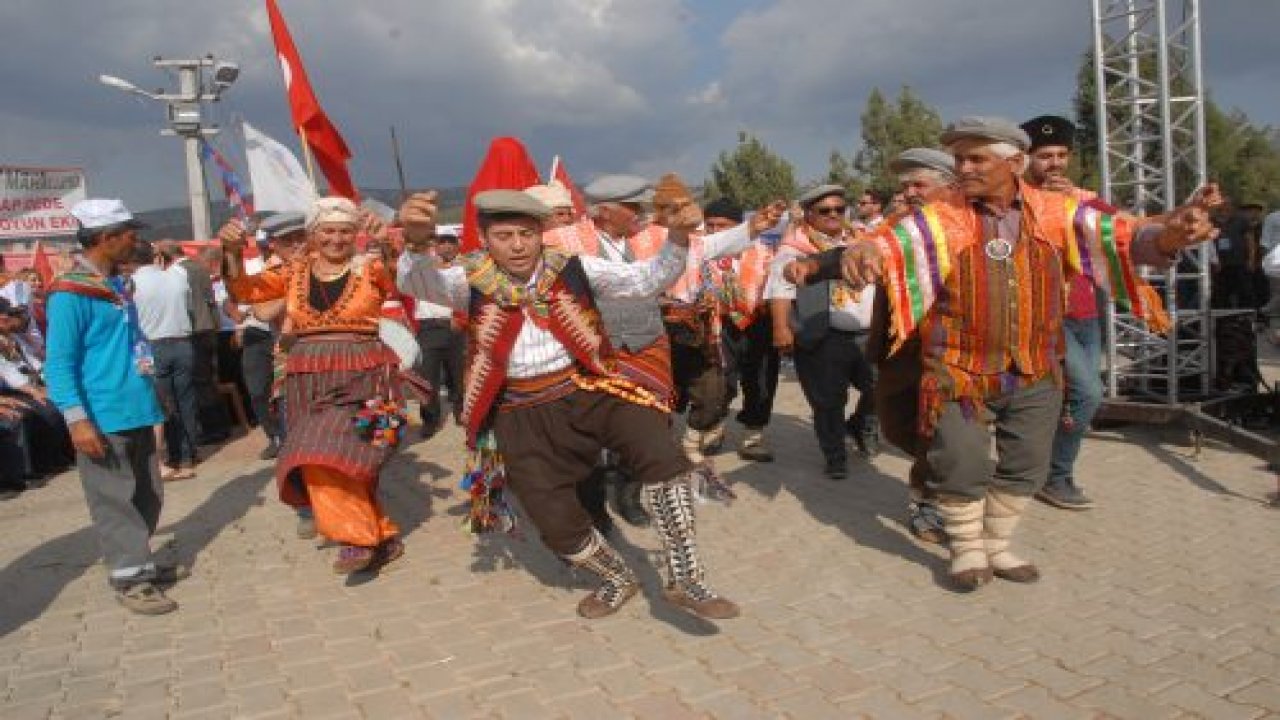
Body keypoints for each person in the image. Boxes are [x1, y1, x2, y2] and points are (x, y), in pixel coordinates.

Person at [795, 116, 1217, 591]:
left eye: (977, 158)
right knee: (961, 462)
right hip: (957, 368)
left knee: (1027, 463)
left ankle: (997, 545)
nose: (965, 167)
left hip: (1036, 367)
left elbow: (1123, 237)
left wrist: (1169, 236)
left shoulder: (1058, 211)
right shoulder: (937, 216)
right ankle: (968, 549)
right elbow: (882, 244)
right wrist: (824, 262)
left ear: (1014, 162)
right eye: (959, 159)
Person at [397, 189, 740, 621]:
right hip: (518, 408)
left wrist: (676, 235)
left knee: (662, 455)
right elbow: (418, 282)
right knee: (553, 516)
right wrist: (415, 241)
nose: (518, 245)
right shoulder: (469, 279)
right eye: (504, 236)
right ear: (484, 238)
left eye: (526, 233)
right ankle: (617, 577)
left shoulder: (572, 267)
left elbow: (644, 282)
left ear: (542, 234)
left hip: (588, 387)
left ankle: (685, 578)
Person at [220, 197, 427, 576]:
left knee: (348, 454)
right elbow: (244, 292)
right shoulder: (293, 272)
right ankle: (375, 534)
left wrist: (387, 244)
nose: (336, 239)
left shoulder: (370, 268)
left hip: (364, 376)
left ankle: (355, 537)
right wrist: (231, 251)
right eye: (327, 231)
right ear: (313, 235)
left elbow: (399, 279)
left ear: (356, 235)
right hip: (307, 378)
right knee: (321, 454)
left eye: (345, 231)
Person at [45, 198, 179, 614]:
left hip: (136, 404)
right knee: (113, 499)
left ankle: (140, 559)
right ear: (105, 239)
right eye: (128, 234)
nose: (135, 241)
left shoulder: (116, 287)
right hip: (102, 414)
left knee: (148, 494)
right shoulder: (70, 295)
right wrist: (77, 420)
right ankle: (130, 577)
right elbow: (59, 365)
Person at [1016, 115, 1105, 510]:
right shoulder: (1013, 203)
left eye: (1061, 155)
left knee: (1076, 396)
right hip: (1044, 316)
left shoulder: (1082, 199)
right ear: (1025, 159)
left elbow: (1118, 231)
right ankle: (1055, 474)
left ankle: (1048, 471)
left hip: (1086, 311)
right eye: (1044, 155)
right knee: (1089, 393)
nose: (1054, 163)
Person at [768, 184, 878, 480]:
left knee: (880, 388)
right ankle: (834, 455)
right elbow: (780, 288)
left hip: (868, 333)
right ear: (808, 215)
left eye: (839, 209)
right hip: (822, 335)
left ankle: (859, 424)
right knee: (828, 401)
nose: (833, 215)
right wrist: (781, 328)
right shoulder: (795, 248)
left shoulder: (865, 240)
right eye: (824, 210)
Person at [708, 199, 781, 462]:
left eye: (722, 225)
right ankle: (714, 428)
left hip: (758, 324)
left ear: (739, 226)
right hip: (718, 324)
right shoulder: (701, 254)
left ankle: (753, 437)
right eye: (710, 225)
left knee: (760, 382)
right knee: (719, 382)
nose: (715, 231)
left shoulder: (765, 251)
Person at [131, 240, 201, 481]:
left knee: (163, 403)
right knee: (186, 399)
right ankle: (187, 452)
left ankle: (169, 455)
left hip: (153, 345)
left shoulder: (133, 283)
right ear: (157, 257)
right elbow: (189, 306)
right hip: (182, 341)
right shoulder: (178, 274)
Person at [238, 212, 305, 460]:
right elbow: (263, 311)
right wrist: (294, 280)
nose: (297, 245)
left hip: (330, 349)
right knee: (292, 414)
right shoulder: (269, 272)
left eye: (301, 237)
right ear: (274, 244)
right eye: (288, 240)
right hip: (291, 353)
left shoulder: (325, 262)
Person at [410, 233, 466, 437]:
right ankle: (430, 420)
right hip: (428, 327)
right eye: (442, 242)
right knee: (427, 377)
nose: (447, 247)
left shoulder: (463, 270)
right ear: (435, 246)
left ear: (458, 246)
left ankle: (462, 412)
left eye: (451, 242)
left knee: (459, 374)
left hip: (455, 326)